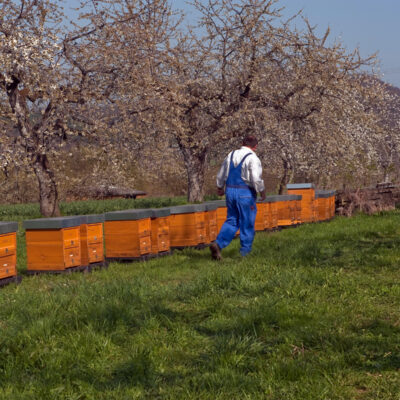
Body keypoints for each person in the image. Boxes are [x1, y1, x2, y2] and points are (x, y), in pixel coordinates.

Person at [210, 135, 266, 260]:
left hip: (230, 191)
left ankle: (218, 244)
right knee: (247, 222)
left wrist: (220, 187)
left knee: (232, 220)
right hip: (245, 193)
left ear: (242, 143)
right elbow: (256, 178)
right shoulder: (253, 158)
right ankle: (245, 253)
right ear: (255, 146)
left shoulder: (231, 155)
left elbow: (221, 173)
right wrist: (262, 191)